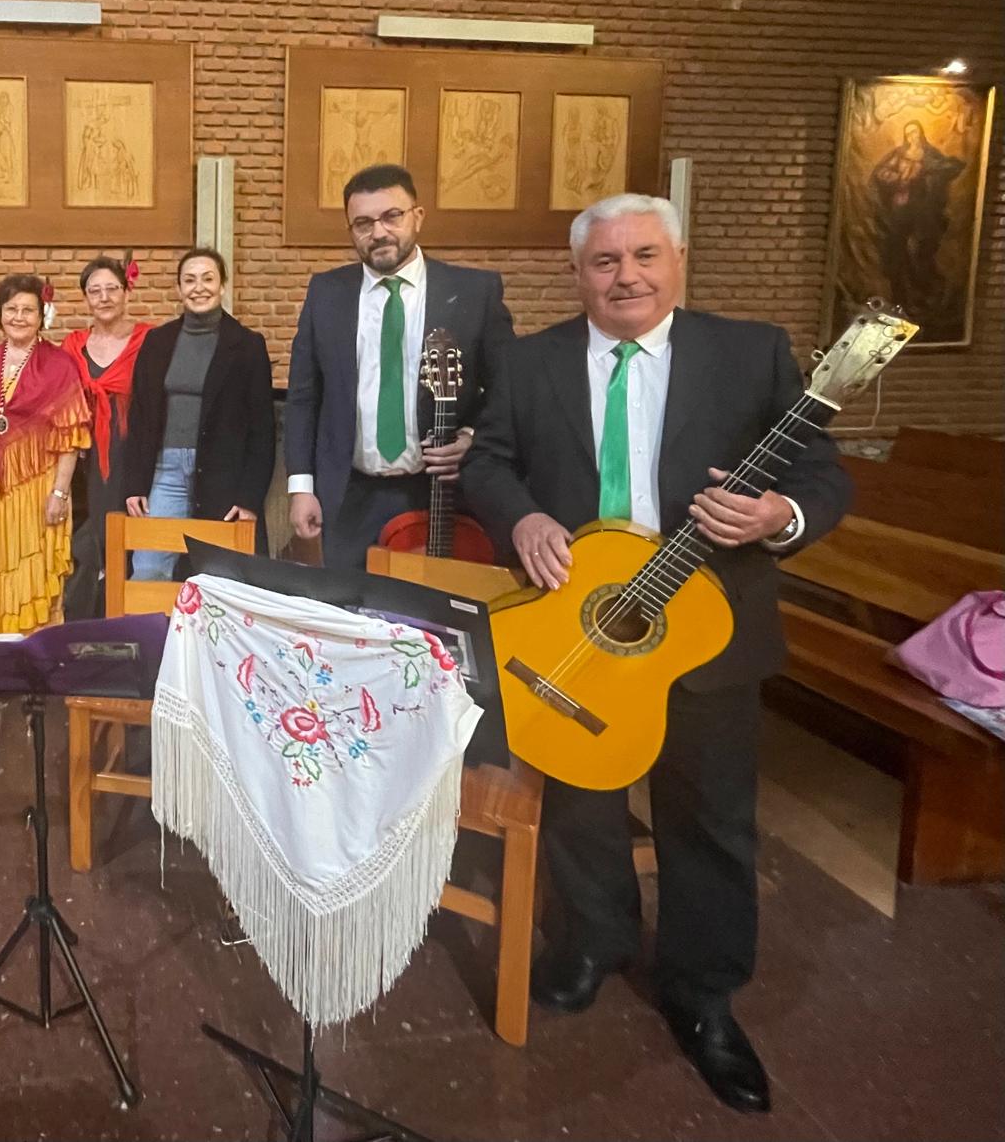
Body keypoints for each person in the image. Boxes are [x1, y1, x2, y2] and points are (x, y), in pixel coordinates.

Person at [461, 193, 852, 1114]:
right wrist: (521, 518)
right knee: (582, 800)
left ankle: (702, 992)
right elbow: (487, 462)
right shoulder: (528, 361)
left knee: (709, 815)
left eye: (644, 255)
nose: (626, 275)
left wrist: (775, 517)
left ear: (677, 259)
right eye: (605, 261)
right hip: (585, 622)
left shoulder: (748, 352)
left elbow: (821, 472)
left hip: (709, 630)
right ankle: (593, 940)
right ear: (578, 273)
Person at [283, 163, 516, 570]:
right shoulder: (326, 292)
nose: (379, 232)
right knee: (352, 616)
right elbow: (304, 396)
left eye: (392, 216)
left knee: (435, 620)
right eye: (363, 223)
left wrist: (472, 437)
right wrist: (301, 487)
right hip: (350, 494)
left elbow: (509, 388)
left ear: (418, 217)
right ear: (351, 230)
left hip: (442, 494)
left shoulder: (473, 292)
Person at [0, 275, 90, 633]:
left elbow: (70, 438)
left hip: (37, 492)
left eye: (28, 310)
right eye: (11, 309)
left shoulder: (60, 366)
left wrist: (59, 492)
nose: (19, 317)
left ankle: (34, 664)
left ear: (43, 316)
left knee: (33, 576)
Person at [122, 248, 274, 580]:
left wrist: (249, 498)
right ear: (178, 289)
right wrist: (134, 483)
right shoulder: (157, 342)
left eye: (208, 279)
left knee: (222, 574)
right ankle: (150, 632)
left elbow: (263, 429)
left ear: (222, 286)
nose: (198, 287)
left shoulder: (247, 345)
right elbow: (139, 416)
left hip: (223, 474)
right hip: (166, 472)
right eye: (189, 280)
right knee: (148, 568)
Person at [59, 254, 153, 617]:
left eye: (112, 288)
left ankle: (126, 618)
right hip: (83, 455)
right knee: (88, 536)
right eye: (94, 290)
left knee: (126, 534)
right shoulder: (73, 345)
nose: (104, 297)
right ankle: (87, 620)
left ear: (127, 291)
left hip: (131, 449)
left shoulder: (149, 339)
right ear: (85, 298)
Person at [870, 120, 966, 315]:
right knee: (897, 248)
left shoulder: (931, 155)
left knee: (921, 250)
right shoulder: (898, 155)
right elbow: (880, 173)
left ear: (920, 134)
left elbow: (949, 169)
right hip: (901, 207)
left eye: (915, 132)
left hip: (923, 210)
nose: (912, 137)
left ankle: (924, 294)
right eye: (908, 133)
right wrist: (899, 178)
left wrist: (928, 175)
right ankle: (900, 297)